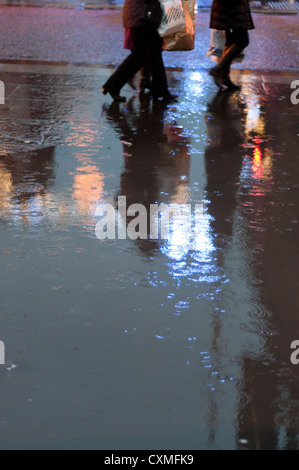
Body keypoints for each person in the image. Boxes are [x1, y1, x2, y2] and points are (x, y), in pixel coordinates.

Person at [102, 0, 177, 102]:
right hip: (142, 17)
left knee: (153, 54)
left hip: (146, 16)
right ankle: (112, 85)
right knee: (140, 55)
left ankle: (161, 91)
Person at [209, 0, 255, 91]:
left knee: (231, 41)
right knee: (243, 41)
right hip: (232, 8)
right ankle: (218, 70)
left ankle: (225, 76)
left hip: (229, 8)